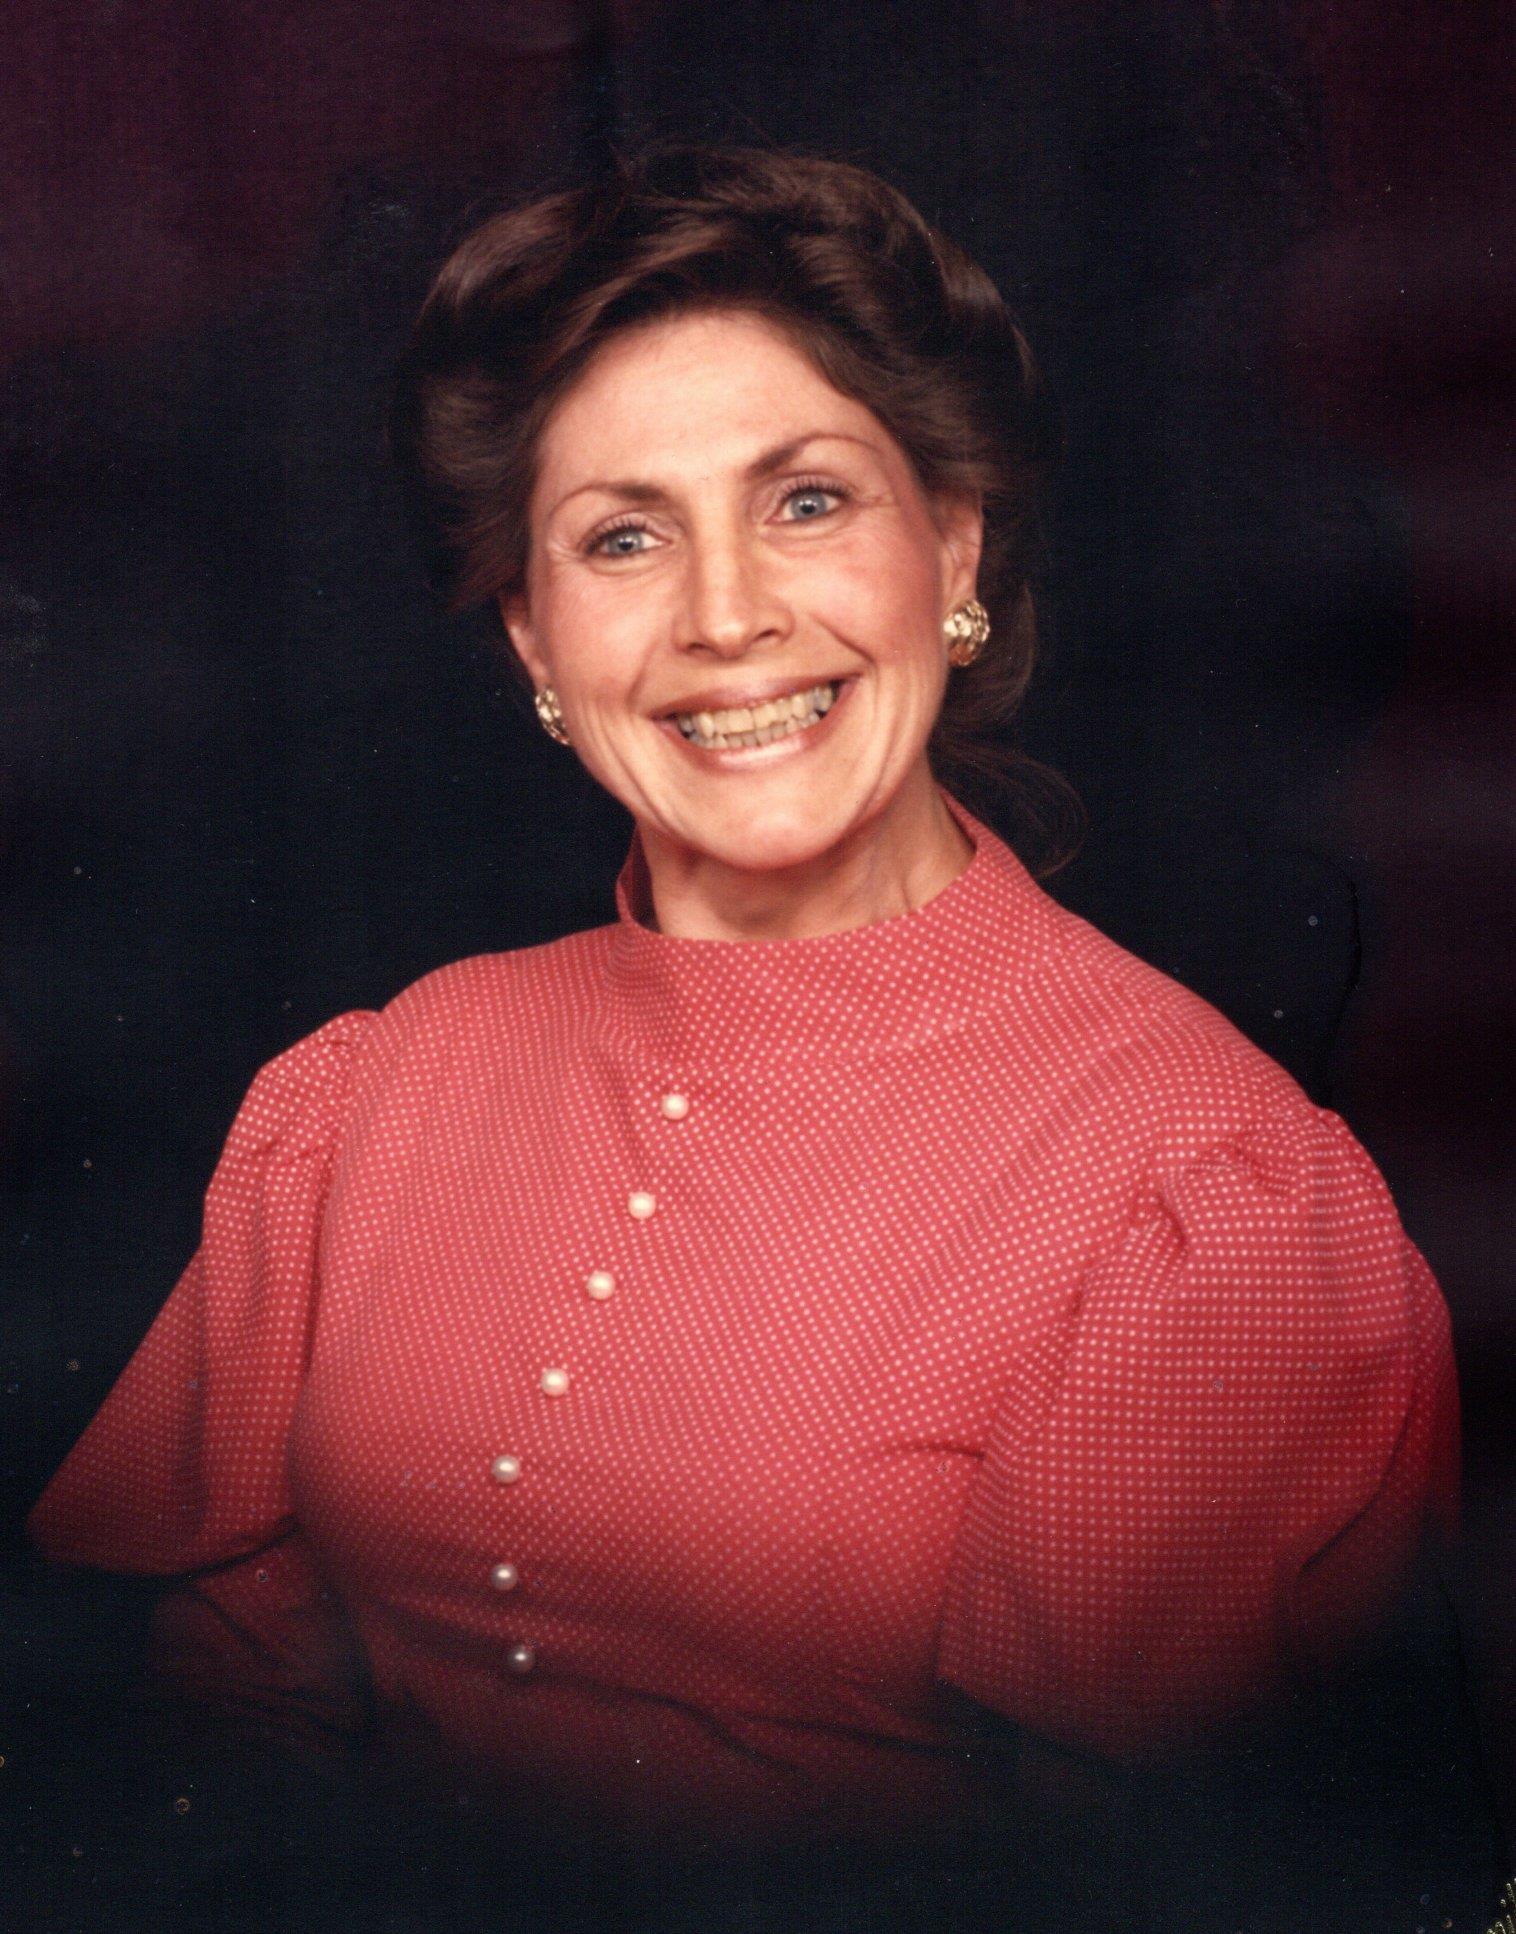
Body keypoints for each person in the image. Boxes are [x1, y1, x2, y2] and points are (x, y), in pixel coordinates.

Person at [23, 142, 1500, 1932]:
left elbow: (1118, 1881)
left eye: (806, 501)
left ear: (953, 543)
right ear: (533, 639)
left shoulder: (1207, 1196)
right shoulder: (382, 1079)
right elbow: (221, 1653)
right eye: (623, 536)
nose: (727, 616)